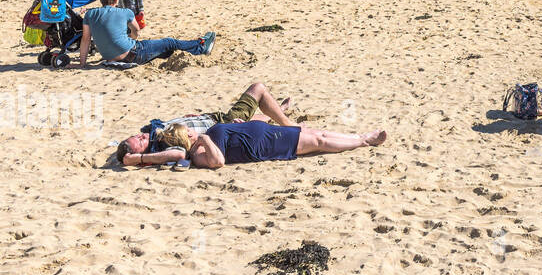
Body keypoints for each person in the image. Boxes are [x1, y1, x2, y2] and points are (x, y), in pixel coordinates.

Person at [114, 83, 295, 166]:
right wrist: (138, 159)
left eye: (135, 136)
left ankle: (277, 111)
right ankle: (288, 124)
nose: (140, 136)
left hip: (212, 117)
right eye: (139, 142)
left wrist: (186, 119)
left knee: (252, 120)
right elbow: (179, 153)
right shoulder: (160, 148)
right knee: (258, 89)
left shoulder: (154, 132)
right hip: (222, 126)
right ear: (141, 152)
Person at [150, 121, 386, 169]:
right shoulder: (200, 151)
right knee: (319, 141)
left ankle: (358, 136)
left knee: (317, 132)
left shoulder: (204, 139)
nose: (192, 130)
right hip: (268, 144)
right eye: (188, 132)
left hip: (266, 132)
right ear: (186, 139)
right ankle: (365, 141)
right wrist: (206, 139)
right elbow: (218, 162)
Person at [77, 0, 215, 67]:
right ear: (116, 0)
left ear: (101, 1)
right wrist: (132, 37)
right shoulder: (125, 12)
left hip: (109, 57)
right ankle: (200, 46)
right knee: (169, 42)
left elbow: (86, 39)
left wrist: (82, 63)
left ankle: (175, 52)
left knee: (164, 50)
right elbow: (136, 31)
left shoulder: (90, 14)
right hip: (132, 55)